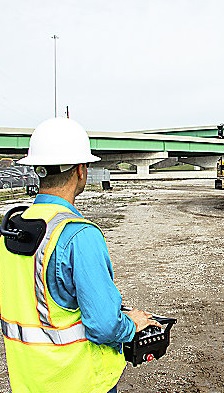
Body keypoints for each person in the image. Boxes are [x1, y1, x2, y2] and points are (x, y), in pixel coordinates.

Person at [0, 117, 160, 392]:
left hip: (28, 382)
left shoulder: (12, 229)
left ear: (37, 170)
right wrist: (130, 325)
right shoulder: (78, 235)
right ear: (81, 170)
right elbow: (104, 326)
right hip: (80, 382)